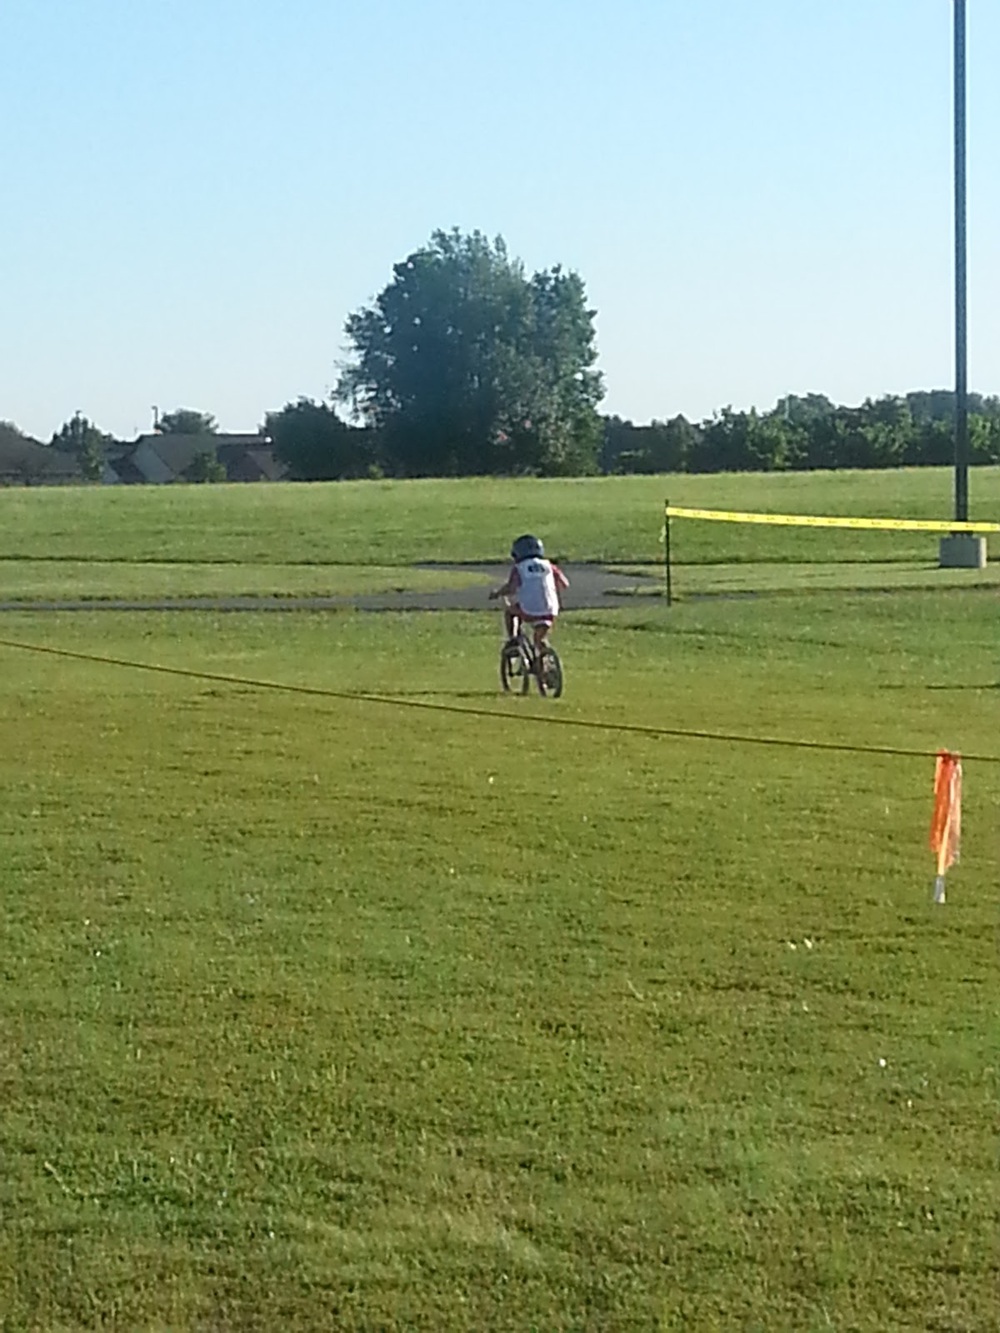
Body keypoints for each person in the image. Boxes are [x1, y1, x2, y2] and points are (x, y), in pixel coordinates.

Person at [489, 534, 569, 650]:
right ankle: (543, 662)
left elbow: (511, 588)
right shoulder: (549, 566)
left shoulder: (520, 567)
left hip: (529, 610)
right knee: (539, 640)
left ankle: (513, 639)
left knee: (510, 611)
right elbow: (565, 584)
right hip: (550, 610)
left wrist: (497, 593)